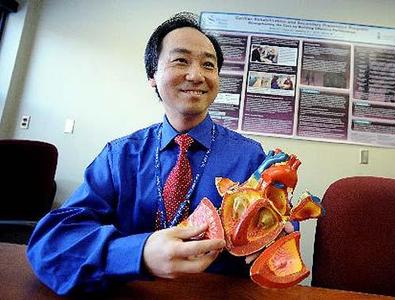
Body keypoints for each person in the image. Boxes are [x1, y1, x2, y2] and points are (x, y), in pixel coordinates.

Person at [27, 12, 294, 296]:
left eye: (208, 64)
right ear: (152, 76)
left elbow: (277, 219)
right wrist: (137, 253)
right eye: (181, 60)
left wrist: (277, 234)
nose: (196, 75)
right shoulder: (119, 156)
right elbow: (51, 242)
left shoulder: (250, 156)